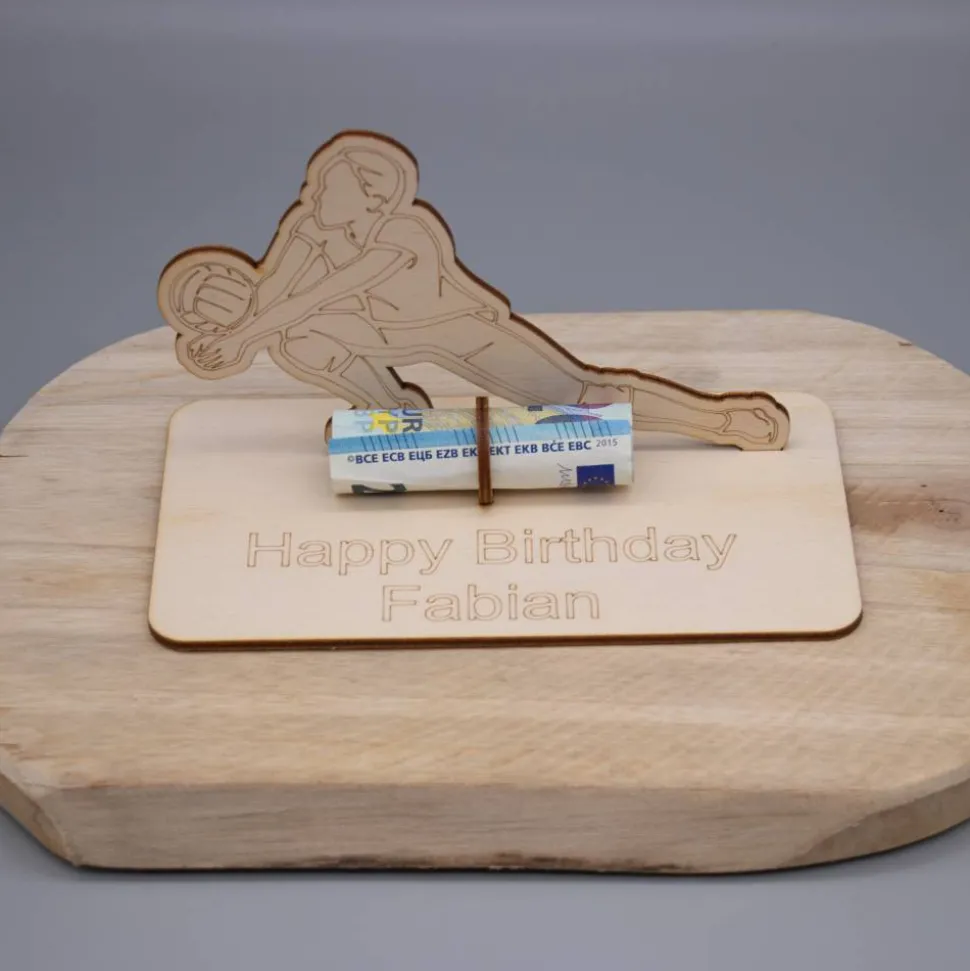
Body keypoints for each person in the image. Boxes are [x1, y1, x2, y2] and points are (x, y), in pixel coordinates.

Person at [159, 132, 789, 449]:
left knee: (581, 396)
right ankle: (396, 412)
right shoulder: (309, 226)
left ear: (372, 198)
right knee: (295, 338)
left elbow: (313, 298)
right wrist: (214, 335)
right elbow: (273, 298)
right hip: (378, 337)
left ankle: (717, 421)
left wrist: (244, 332)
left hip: (460, 334)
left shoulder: (404, 232)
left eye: (326, 187)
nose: (310, 194)